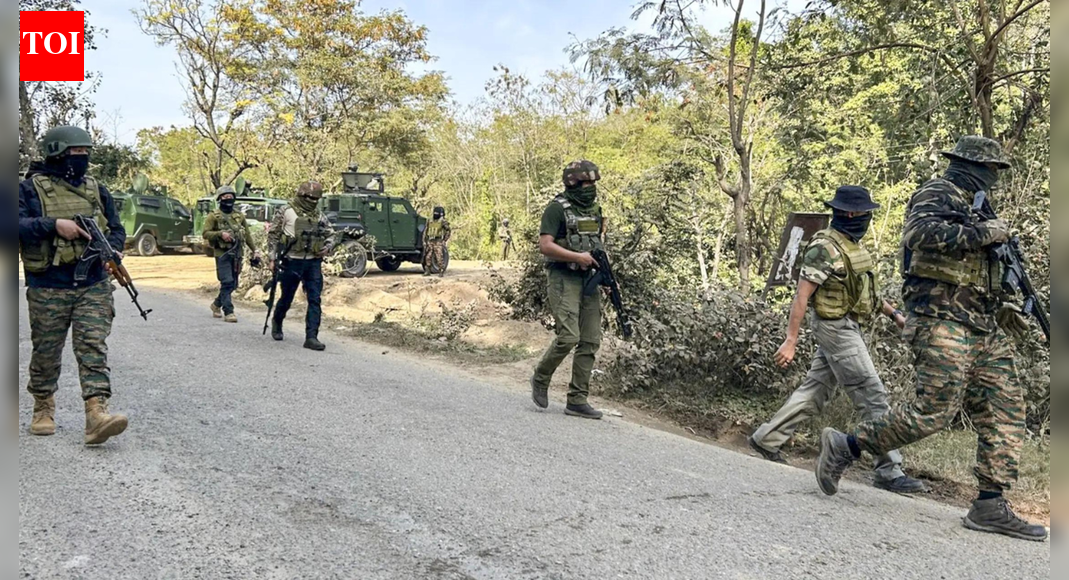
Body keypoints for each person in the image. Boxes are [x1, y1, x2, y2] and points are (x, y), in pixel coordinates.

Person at [815, 136, 1048, 542]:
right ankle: (846, 447)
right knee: (933, 412)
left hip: (981, 326)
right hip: (940, 321)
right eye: (991, 169)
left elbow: (981, 271)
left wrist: (1003, 304)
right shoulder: (937, 192)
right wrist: (983, 234)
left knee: (1006, 410)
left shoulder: (980, 206)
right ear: (971, 166)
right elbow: (919, 234)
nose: (995, 178)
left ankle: (990, 503)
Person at [750, 186, 926, 494]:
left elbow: (865, 293)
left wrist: (894, 314)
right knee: (872, 395)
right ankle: (889, 469)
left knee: (816, 389)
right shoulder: (825, 248)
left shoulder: (851, 246)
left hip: (849, 326)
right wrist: (790, 340)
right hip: (836, 329)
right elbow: (802, 297)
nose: (868, 219)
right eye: (865, 214)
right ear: (850, 214)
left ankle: (767, 439)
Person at [18, 125, 129, 445]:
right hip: (48, 285)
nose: (82, 159)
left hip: (93, 282)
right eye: (75, 153)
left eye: (85, 153)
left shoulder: (97, 189)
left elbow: (116, 229)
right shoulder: (28, 190)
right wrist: (54, 225)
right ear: (56, 154)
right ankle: (43, 406)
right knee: (46, 351)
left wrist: (115, 249)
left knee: (92, 344)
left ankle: (97, 413)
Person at [530, 160, 606, 420]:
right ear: (574, 182)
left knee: (591, 340)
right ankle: (541, 376)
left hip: (589, 279)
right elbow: (545, 245)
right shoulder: (556, 209)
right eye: (588, 182)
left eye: (594, 182)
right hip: (563, 278)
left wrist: (603, 274)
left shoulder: (595, 209)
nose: (592, 187)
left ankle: (577, 400)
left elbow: (597, 242)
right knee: (569, 337)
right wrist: (576, 256)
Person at [267, 181, 337, 352]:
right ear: (301, 195)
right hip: (292, 261)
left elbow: (331, 234)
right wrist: (272, 258)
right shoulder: (286, 211)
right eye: (309, 197)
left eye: (316, 198)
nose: (312, 201)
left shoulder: (319, 215)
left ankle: (311, 337)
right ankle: (277, 321)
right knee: (287, 297)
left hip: (313, 262)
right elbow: (273, 235)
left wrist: (327, 247)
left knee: (314, 299)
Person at [203, 185, 261, 323]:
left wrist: (255, 250)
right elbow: (205, 233)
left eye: (230, 197)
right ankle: (229, 311)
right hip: (222, 254)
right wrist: (220, 234)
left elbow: (246, 234)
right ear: (220, 199)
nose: (228, 199)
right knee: (227, 281)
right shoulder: (213, 216)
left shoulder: (239, 216)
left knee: (233, 284)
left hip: (237, 254)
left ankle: (216, 304)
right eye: (225, 197)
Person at [422, 206, 451, 277]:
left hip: (438, 241)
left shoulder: (443, 221)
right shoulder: (430, 220)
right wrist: (424, 240)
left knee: (439, 256)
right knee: (428, 256)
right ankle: (427, 270)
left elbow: (448, 230)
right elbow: (426, 230)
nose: (435, 214)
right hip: (430, 240)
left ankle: (441, 271)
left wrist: (444, 240)